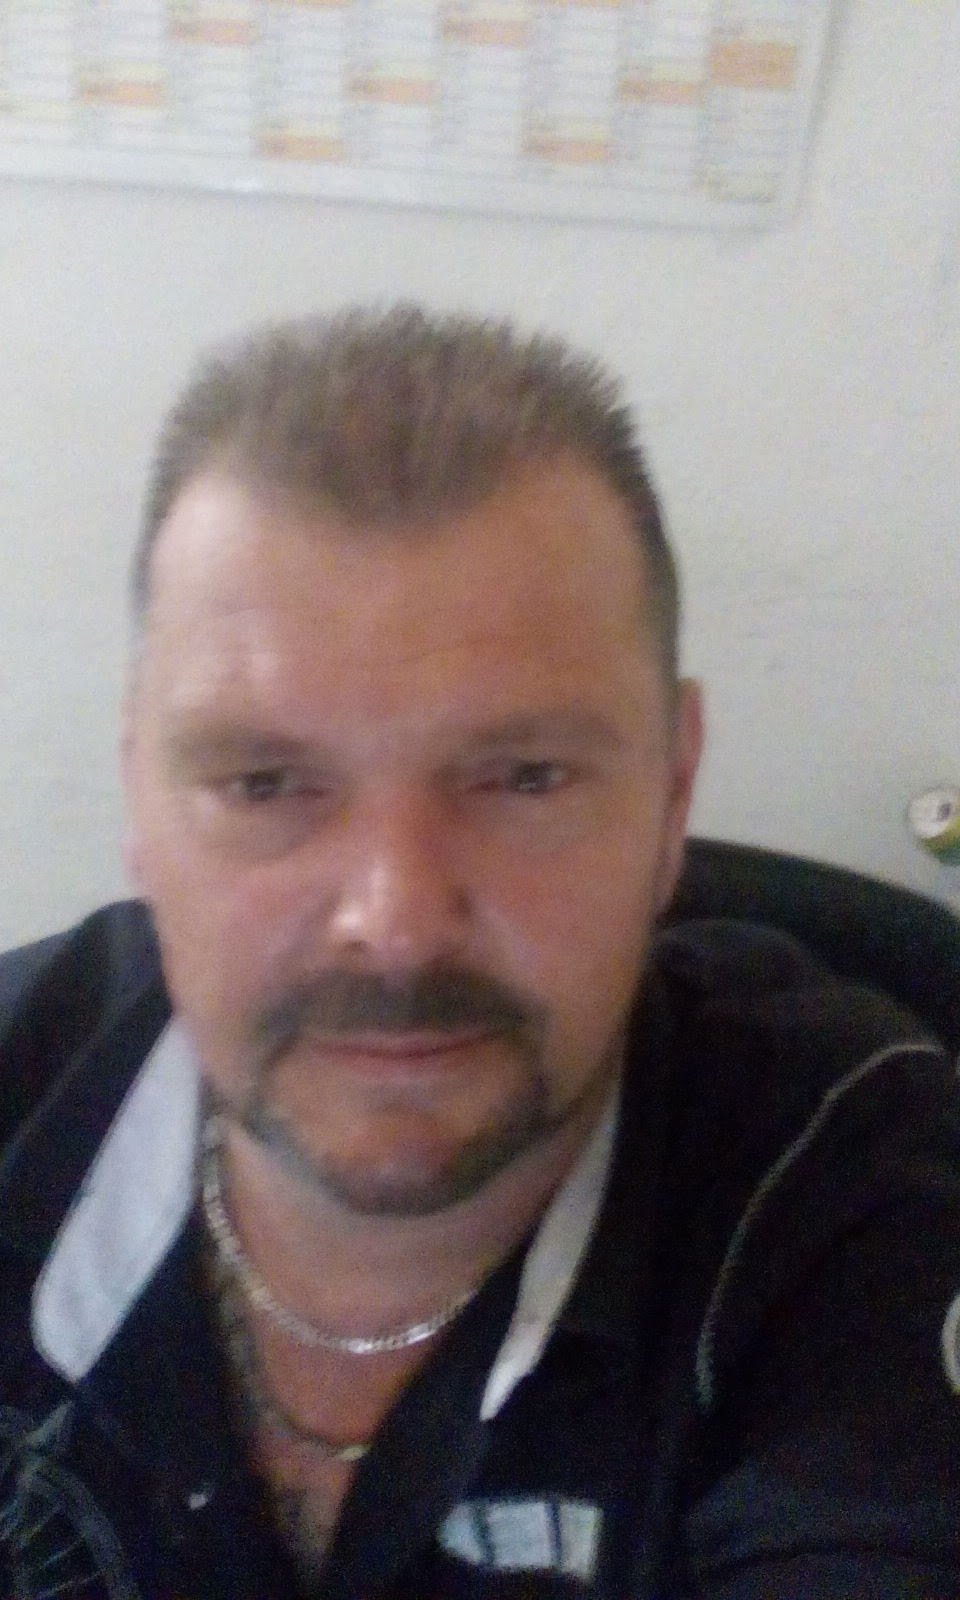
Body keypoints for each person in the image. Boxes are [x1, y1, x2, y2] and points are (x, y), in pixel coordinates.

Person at [1, 305, 959, 1600]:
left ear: (673, 794)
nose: (394, 923)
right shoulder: (21, 1080)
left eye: (524, 777)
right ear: (141, 798)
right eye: (266, 782)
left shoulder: (849, 1187)